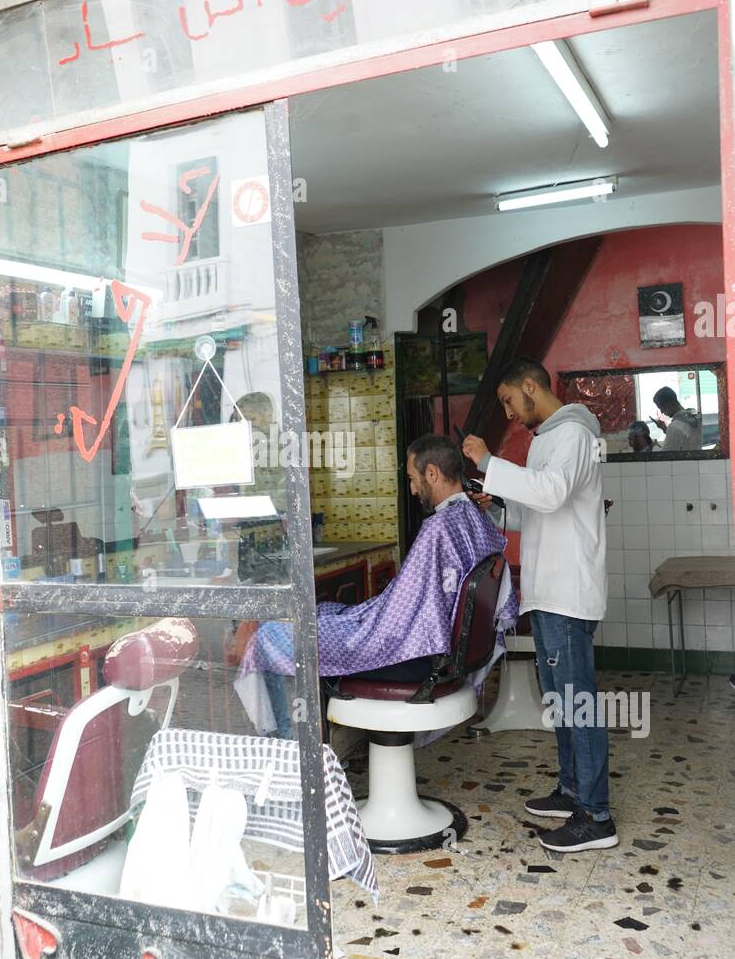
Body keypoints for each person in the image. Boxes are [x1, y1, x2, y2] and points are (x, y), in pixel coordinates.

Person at [236, 435, 517, 736]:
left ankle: (281, 745)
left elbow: (395, 623)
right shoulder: (475, 517)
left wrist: (361, 622)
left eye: (412, 478)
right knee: (325, 612)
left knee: (267, 637)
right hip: (442, 653)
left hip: (412, 658)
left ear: (432, 473)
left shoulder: (439, 529)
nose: (411, 489)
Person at [462, 358, 617, 854]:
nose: (509, 412)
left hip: (568, 591)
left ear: (530, 386)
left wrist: (489, 464)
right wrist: (500, 503)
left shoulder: (572, 432)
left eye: (509, 400)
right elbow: (537, 510)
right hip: (550, 590)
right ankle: (573, 790)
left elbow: (551, 495)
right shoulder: (549, 437)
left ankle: (596, 816)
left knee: (579, 703)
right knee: (562, 701)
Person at [650, 385, 702, 452]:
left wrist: (654, 446)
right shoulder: (695, 417)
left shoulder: (675, 427)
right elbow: (684, 437)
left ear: (670, 404)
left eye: (661, 407)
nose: (662, 412)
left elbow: (665, 455)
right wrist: (665, 429)